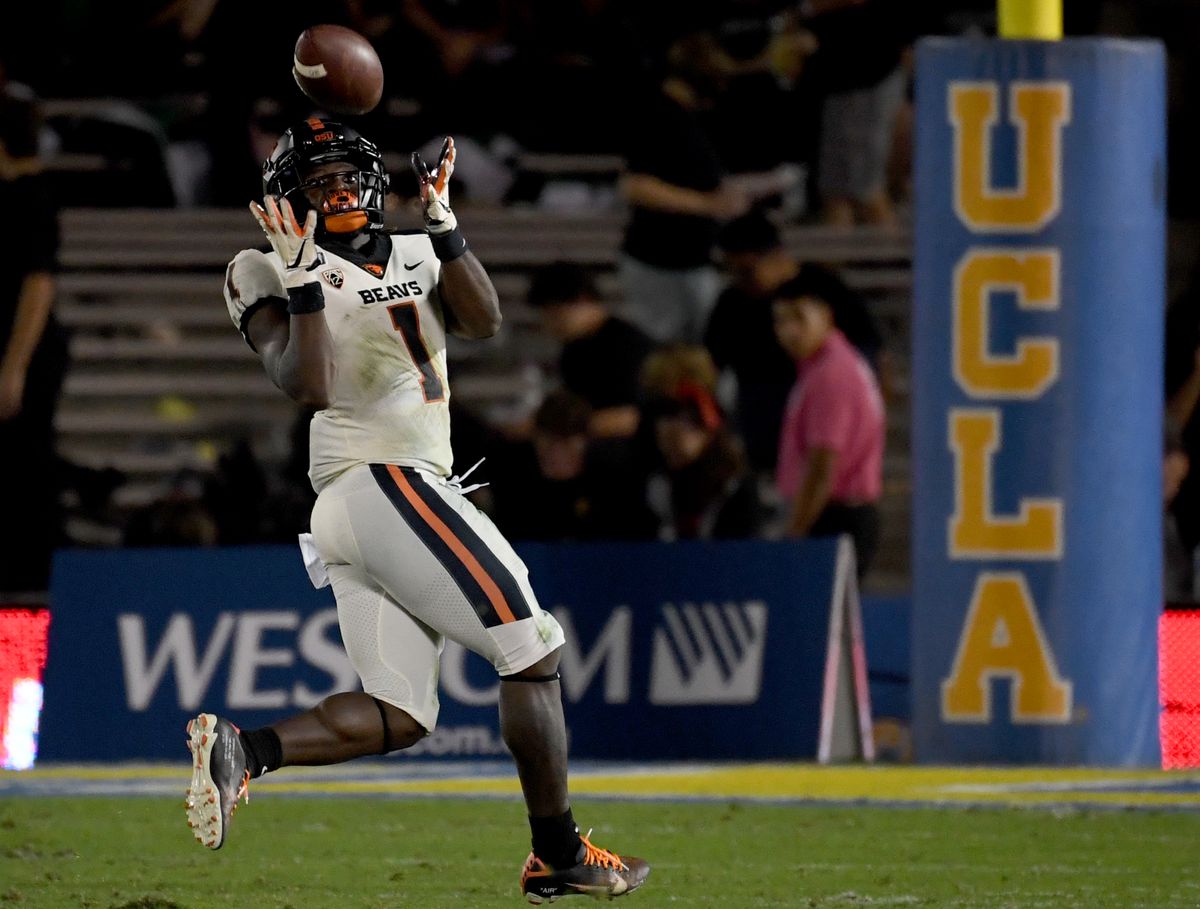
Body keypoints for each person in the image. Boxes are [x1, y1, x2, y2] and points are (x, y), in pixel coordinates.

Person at [195, 118, 649, 903]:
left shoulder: (415, 248)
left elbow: (483, 321)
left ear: (375, 183)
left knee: (401, 712)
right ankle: (558, 851)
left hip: (385, 495)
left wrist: (445, 225)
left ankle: (244, 750)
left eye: (347, 176)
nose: (337, 191)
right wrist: (304, 281)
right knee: (530, 646)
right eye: (318, 181)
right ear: (288, 199)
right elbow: (305, 384)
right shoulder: (261, 267)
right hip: (379, 479)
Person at [705, 209, 883, 476]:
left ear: (776, 257)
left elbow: (869, 356)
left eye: (747, 270)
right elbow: (710, 366)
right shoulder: (732, 303)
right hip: (760, 425)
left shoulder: (825, 289)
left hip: (822, 423)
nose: (740, 280)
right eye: (731, 271)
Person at [0, 83, 70, 594]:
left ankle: (27, 602)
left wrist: (13, 367)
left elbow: (38, 283)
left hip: (23, 355)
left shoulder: (32, 196)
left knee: (23, 478)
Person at [772, 272, 885, 579]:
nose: (789, 331)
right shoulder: (828, 365)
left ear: (825, 315)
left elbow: (823, 464)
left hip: (834, 517)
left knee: (822, 622)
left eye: (798, 317)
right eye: (780, 321)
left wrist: (795, 531)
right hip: (837, 514)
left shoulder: (830, 375)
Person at [489, 388, 657, 543]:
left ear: (586, 442)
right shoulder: (515, 484)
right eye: (549, 441)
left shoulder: (612, 484)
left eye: (567, 442)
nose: (557, 452)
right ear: (536, 439)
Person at [640, 351, 766, 541]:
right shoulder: (653, 486)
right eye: (661, 412)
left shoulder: (736, 489)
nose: (666, 427)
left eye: (680, 412)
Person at [526, 261, 657, 440]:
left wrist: (558, 429)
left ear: (583, 299)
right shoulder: (573, 351)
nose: (548, 324)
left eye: (555, 312)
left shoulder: (627, 345)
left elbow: (631, 418)